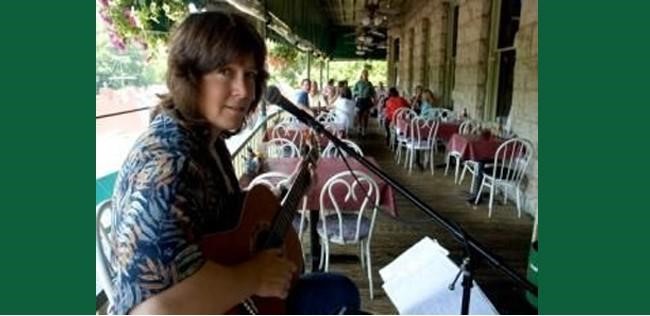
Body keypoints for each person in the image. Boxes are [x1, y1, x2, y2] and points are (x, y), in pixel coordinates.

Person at [108, 11, 360, 315]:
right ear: (190, 76)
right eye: (225, 71)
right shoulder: (169, 165)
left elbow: (227, 224)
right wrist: (253, 277)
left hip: (237, 299)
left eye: (250, 74)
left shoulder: (206, 142)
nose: (243, 90)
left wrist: (286, 195)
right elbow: (153, 312)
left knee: (340, 292)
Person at [352, 69, 376, 135]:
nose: (365, 75)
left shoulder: (369, 83)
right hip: (360, 100)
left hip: (367, 100)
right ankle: (359, 127)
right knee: (359, 114)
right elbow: (354, 91)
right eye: (364, 74)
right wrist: (357, 93)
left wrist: (374, 99)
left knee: (366, 115)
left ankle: (364, 129)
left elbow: (373, 92)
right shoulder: (358, 83)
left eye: (366, 74)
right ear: (362, 75)